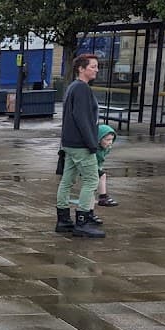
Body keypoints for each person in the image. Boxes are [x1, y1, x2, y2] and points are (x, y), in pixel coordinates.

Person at [55, 54, 105, 238]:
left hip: (69, 143)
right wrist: (92, 143)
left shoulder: (72, 87)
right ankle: (82, 220)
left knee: (67, 180)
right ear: (81, 69)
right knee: (92, 180)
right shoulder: (82, 89)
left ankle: (63, 219)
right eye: (93, 66)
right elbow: (83, 119)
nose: (96, 70)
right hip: (81, 144)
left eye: (96, 66)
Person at [96, 124, 118, 207]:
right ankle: (103, 197)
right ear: (99, 139)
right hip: (87, 165)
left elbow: (101, 160)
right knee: (102, 176)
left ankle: (102, 197)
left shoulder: (105, 148)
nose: (110, 142)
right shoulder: (94, 149)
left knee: (100, 176)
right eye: (108, 140)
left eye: (112, 140)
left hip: (95, 165)